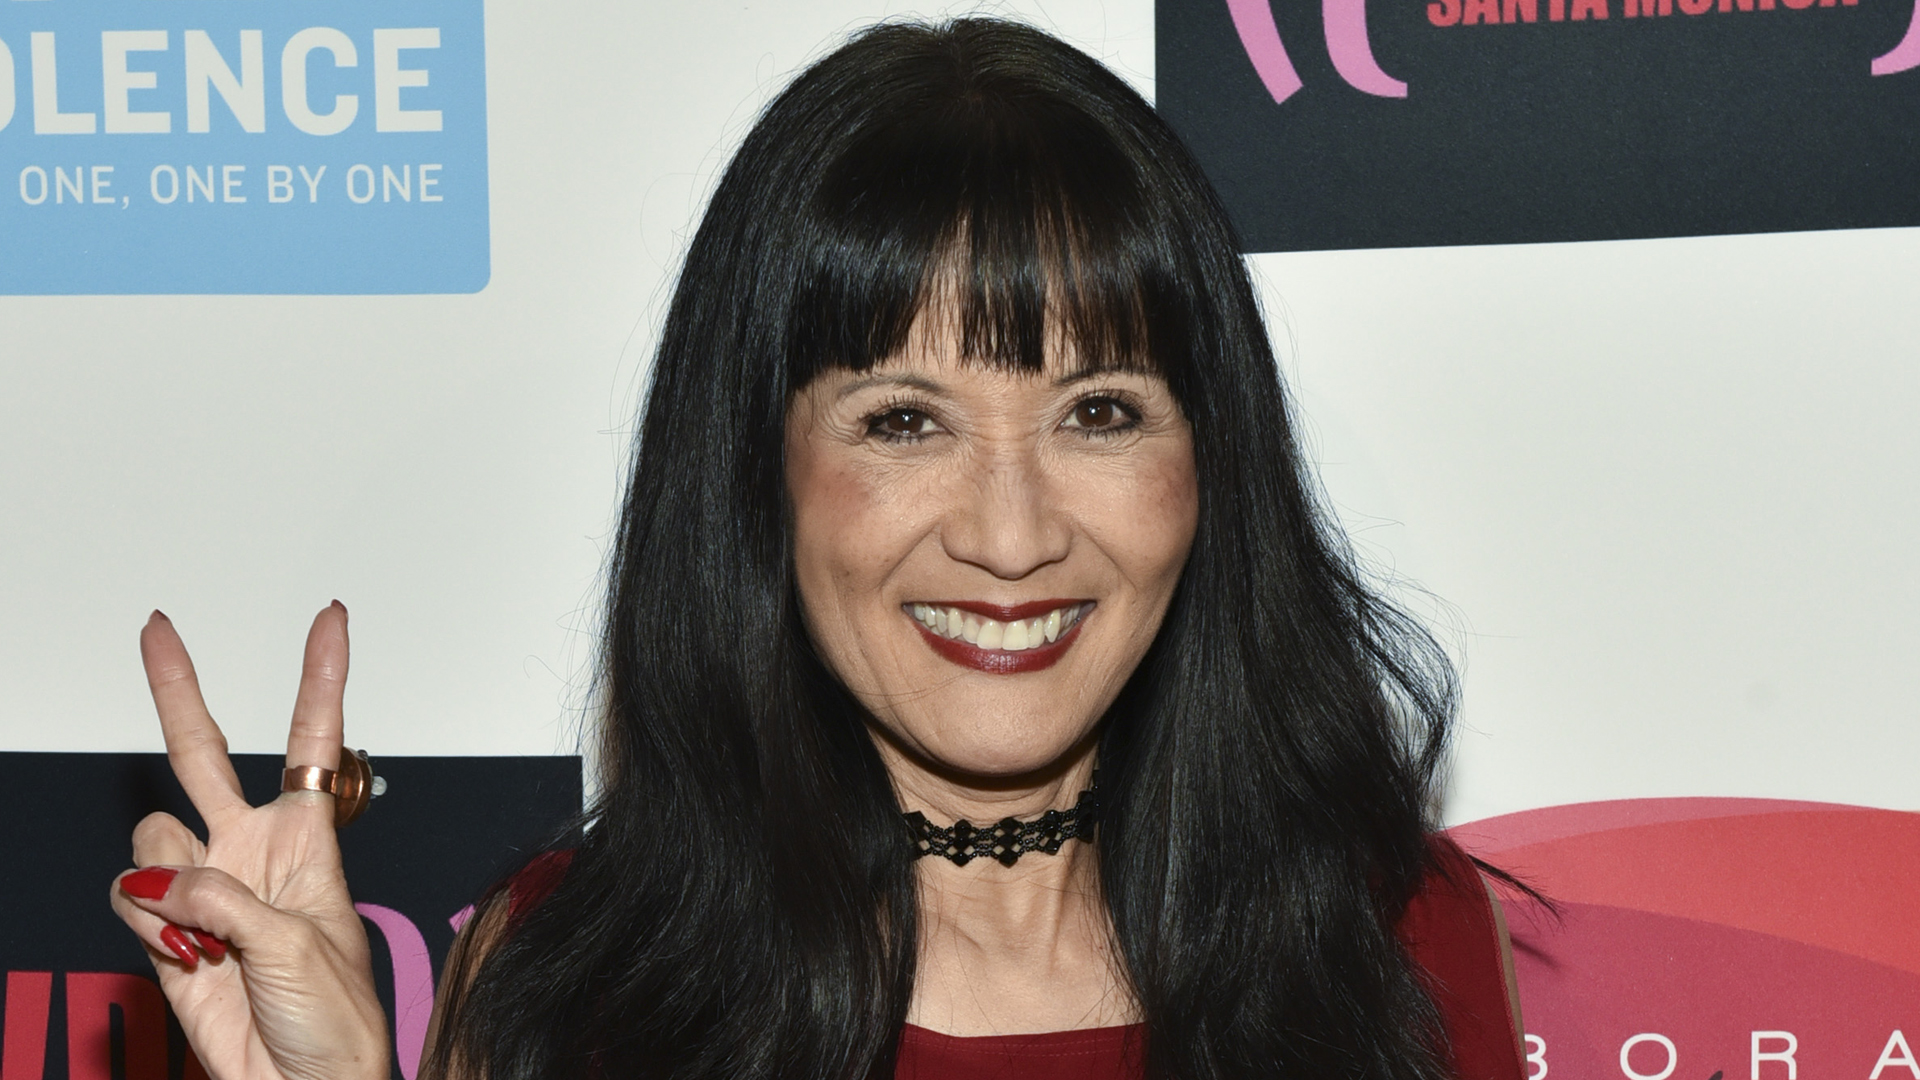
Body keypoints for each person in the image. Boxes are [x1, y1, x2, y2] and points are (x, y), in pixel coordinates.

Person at [109, 18, 1524, 1080]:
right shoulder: (580, 980)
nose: (1012, 535)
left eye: (1099, 410)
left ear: (1211, 463)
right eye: (904, 421)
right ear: (758, 472)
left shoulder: (1387, 937)